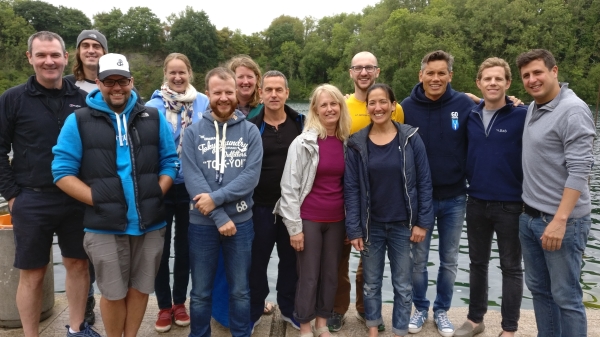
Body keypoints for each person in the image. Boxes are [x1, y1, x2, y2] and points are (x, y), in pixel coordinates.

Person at [52, 53, 179, 337]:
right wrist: (98, 199)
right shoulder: (79, 120)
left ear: (131, 82)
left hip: (150, 224)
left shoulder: (154, 117)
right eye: (109, 81)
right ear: (98, 82)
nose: (117, 87)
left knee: (140, 289)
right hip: (103, 226)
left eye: (122, 80)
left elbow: (170, 161)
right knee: (111, 293)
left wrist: (157, 191)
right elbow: (62, 173)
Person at [0, 31, 96, 337]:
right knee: (32, 273)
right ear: (29, 58)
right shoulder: (12, 99)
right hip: (31, 197)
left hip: (76, 199)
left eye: (55, 55)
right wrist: (12, 195)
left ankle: (77, 329)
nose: (49, 61)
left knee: (79, 266)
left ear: (66, 57)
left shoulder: (83, 100)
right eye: (41, 55)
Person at [516, 49, 594, 337]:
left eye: (538, 72)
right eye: (526, 76)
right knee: (540, 291)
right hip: (530, 217)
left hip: (563, 222)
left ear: (554, 71)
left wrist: (560, 221)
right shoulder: (536, 107)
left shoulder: (572, 110)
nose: (532, 79)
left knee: (566, 297)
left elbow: (580, 170)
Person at [345, 83, 433, 337]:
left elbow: (425, 182)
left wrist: (422, 223)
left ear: (393, 106)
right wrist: (354, 229)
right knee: (371, 283)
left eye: (383, 102)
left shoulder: (410, 138)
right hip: (371, 226)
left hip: (403, 224)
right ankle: (373, 327)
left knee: (403, 285)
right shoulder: (356, 143)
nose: (378, 107)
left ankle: (400, 330)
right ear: (367, 107)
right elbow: (351, 190)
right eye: (372, 103)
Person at [182, 67, 263, 337]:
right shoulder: (193, 133)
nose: (224, 97)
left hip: (241, 222)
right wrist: (219, 216)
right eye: (218, 92)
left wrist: (216, 200)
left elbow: (250, 177)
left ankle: (241, 334)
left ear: (237, 93)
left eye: (229, 92)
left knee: (240, 290)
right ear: (208, 94)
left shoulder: (250, 132)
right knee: (201, 292)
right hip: (201, 225)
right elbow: (192, 177)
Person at [329, 50, 406, 333]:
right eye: (358, 68)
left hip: (378, 196)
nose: (363, 72)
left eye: (369, 68)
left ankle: (365, 309)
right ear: (350, 73)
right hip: (341, 189)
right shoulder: (342, 105)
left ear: (378, 71)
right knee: (339, 255)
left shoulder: (393, 107)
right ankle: (337, 309)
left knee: (369, 259)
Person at [400, 50, 475, 337]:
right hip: (420, 199)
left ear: (450, 76)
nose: (435, 78)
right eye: (430, 73)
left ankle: (442, 310)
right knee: (417, 259)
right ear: (421, 75)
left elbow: (490, 111)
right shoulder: (406, 107)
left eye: (441, 73)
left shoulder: (463, 104)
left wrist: (511, 101)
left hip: (455, 197)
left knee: (450, 259)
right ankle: (420, 307)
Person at [455, 58, 527, 337]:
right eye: (488, 79)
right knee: (477, 263)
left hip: (511, 204)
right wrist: (469, 97)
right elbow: (450, 97)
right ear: (479, 83)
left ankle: (509, 329)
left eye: (499, 79)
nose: (493, 83)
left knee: (511, 267)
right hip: (476, 201)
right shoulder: (470, 115)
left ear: (508, 83)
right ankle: (475, 320)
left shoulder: (522, 114)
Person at [275, 84, 351, 337]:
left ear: (340, 107)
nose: (329, 109)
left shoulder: (347, 142)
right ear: (315, 110)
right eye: (324, 105)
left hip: (337, 220)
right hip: (309, 219)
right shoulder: (304, 142)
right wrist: (294, 228)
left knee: (331, 275)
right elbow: (289, 186)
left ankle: (322, 323)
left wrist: (353, 224)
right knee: (308, 276)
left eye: (334, 104)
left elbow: (351, 187)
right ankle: (305, 326)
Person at [145, 53, 209, 333]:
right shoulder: (152, 106)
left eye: (182, 72)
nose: (178, 77)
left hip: (192, 187)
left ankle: (179, 302)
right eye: (172, 73)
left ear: (190, 73)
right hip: (161, 185)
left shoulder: (203, 102)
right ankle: (162, 306)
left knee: (185, 248)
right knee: (159, 248)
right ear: (165, 74)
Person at [212, 54, 268, 328]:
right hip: (221, 200)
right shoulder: (217, 113)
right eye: (239, 76)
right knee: (223, 261)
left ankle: (253, 306)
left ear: (257, 81)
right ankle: (223, 312)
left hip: (258, 200)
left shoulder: (265, 111)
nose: (245, 81)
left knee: (252, 259)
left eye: (250, 76)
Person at [247, 70, 304, 331]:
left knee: (291, 261)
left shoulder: (300, 123)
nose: (273, 94)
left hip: (292, 209)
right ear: (260, 93)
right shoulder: (251, 125)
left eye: (278, 90)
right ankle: (256, 305)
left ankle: (288, 308)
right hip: (260, 206)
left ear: (286, 93)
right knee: (257, 260)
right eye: (268, 90)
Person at [64, 28, 109, 327]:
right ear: (78, 52)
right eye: (86, 46)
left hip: (105, 181)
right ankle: (87, 303)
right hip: (72, 182)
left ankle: (108, 297)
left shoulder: (114, 84)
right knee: (79, 252)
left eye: (97, 46)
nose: (91, 50)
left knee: (102, 247)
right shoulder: (65, 87)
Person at [227, 55, 264, 119]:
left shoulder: (264, 107)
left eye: (250, 77)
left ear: (257, 79)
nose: (246, 82)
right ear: (231, 79)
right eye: (240, 77)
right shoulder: (223, 106)